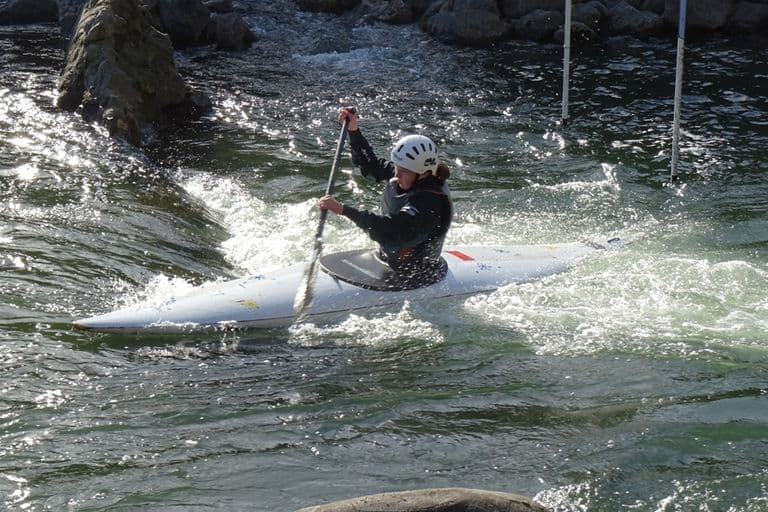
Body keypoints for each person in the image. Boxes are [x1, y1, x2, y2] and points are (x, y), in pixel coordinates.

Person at [317, 107, 453, 289]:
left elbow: (390, 231)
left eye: (403, 171)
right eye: (397, 166)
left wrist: (343, 210)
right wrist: (354, 131)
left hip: (415, 273)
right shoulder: (408, 173)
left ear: (423, 173)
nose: (396, 174)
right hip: (390, 259)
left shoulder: (428, 203)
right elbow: (371, 165)